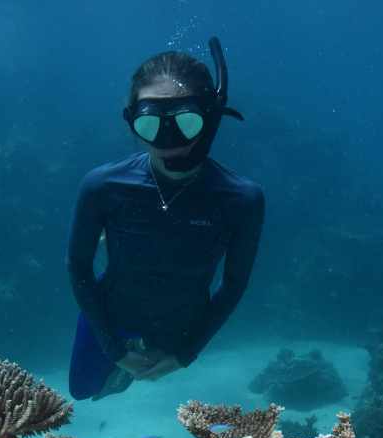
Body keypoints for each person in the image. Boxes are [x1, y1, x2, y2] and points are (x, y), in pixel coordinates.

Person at [67, 37, 264, 400]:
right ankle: (121, 370)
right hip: (113, 316)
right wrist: (115, 350)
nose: (168, 139)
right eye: (150, 124)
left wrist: (185, 354)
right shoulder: (102, 187)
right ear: (131, 121)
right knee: (83, 391)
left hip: (181, 326)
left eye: (186, 122)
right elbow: (78, 267)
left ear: (209, 117)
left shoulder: (241, 199)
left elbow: (234, 284)